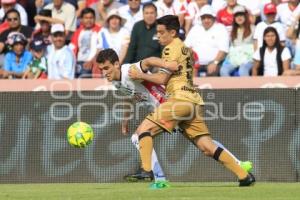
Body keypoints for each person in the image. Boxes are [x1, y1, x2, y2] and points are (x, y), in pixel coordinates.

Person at [117, 15, 255, 186]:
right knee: (207, 146)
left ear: (173, 32)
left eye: (161, 32)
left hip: (179, 100)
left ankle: (146, 170)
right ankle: (244, 176)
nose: (158, 36)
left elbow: (162, 79)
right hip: (193, 101)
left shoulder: (169, 49)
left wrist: (141, 75)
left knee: (143, 131)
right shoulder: (186, 49)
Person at [220, 5, 255, 76]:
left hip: (249, 58)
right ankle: (230, 87)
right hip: (234, 59)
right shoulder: (232, 31)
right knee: (223, 70)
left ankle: (247, 87)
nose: (239, 17)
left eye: (241, 15)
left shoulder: (253, 28)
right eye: (236, 16)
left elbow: (256, 46)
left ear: (245, 16)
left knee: (242, 70)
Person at [69, 7, 101, 78]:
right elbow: (72, 49)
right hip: (78, 63)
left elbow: (101, 49)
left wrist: (92, 61)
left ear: (94, 18)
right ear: (81, 19)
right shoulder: (78, 32)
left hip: (92, 63)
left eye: (91, 18)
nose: (89, 20)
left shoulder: (100, 31)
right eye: (86, 18)